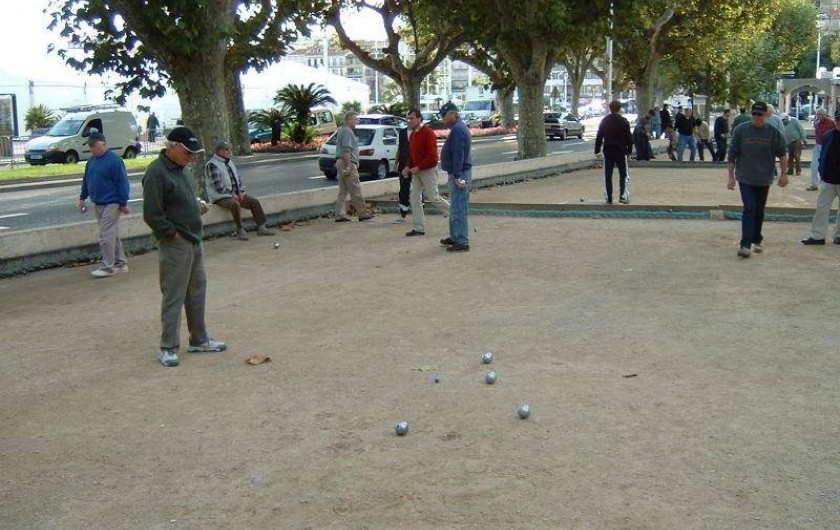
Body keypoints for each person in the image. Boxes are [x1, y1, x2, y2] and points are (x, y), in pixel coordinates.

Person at [142, 126, 227, 367]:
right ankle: (168, 347)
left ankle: (199, 339)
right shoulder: (156, 173)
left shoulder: (182, 169)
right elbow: (152, 214)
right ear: (172, 148)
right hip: (176, 243)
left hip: (193, 238)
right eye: (188, 152)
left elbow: (183, 198)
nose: (191, 157)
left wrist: (197, 204)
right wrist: (172, 235)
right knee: (174, 295)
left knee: (197, 291)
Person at [726, 101, 788, 259]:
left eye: (759, 114)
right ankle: (745, 245)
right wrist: (731, 177)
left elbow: (782, 153)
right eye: (754, 114)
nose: (756, 117)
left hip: (764, 177)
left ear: (766, 115)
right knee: (749, 207)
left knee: (759, 210)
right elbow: (732, 154)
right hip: (745, 177)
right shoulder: (741, 130)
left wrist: (784, 174)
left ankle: (756, 238)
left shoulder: (773, 132)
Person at [78, 131, 130, 278]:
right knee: (112, 234)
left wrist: (123, 202)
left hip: (112, 202)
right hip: (99, 202)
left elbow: (122, 182)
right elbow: (86, 180)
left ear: (103, 144)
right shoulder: (91, 162)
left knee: (106, 235)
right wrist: (82, 198)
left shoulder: (114, 161)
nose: (92, 148)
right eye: (90, 146)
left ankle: (108, 266)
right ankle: (120, 263)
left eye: (94, 145)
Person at [205, 141, 276, 240]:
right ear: (220, 151)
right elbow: (218, 186)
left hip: (236, 193)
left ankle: (261, 226)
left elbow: (237, 178)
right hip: (220, 196)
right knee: (235, 204)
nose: (229, 151)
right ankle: (240, 229)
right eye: (226, 149)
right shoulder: (212, 165)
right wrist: (231, 194)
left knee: (254, 202)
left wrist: (241, 191)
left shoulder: (229, 161)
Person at [402, 108, 450, 237]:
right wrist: (408, 166)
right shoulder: (413, 134)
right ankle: (419, 227)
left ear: (419, 118)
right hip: (417, 171)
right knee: (414, 198)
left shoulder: (428, 133)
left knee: (433, 197)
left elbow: (433, 157)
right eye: (408, 118)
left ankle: (454, 214)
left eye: (411, 118)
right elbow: (413, 155)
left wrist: (419, 167)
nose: (409, 121)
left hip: (428, 170)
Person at [801, 111, 840, 246]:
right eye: (838, 119)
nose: (839, 122)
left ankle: (839, 236)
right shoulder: (828, 135)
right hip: (827, 179)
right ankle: (818, 236)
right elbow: (823, 154)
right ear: (835, 120)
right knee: (822, 208)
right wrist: (821, 172)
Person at [438, 102, 472, 252]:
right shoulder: (458, 128)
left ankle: (462, 240)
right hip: (458, 172)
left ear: (454, 114)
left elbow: (459, 154)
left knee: (459, 208)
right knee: (455, 206)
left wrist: (457, 176)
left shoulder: (458, 130)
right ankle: (455, 236)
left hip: (460, 173)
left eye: (445, 115)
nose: (443, 119)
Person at [334, 111, 374, 223]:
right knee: (355, 188)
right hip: (347, 162)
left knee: (343, 190)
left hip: (341, 162)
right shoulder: (347, 132)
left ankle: (339, 213)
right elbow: (346, 150)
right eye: (355, 119)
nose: (357, 121)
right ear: (348, 119)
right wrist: (349, 166)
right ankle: (362, 213)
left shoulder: (342, 131)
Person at [594, 100, 633, 204]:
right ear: (620, 109)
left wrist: (597, 151)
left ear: (609, 108)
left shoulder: (605, 121)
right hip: (621, 150)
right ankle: (623, 196)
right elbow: (629, 138)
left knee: (608, 175)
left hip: (608, 150)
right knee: (623, 174)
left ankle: (609, 197)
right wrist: (629, 151)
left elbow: (599, 136)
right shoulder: (624, 121)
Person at [810, 108, 833, 191]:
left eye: (821, 114)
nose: (819, 116)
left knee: (826, 166)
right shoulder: (816, 123)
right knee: (813, 166)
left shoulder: (831, 123)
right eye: (818, 114)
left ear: (825, 114)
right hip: (818, 145)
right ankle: (814, 184)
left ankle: (825, 185)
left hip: (828, 147)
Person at [394, 126, 411, 223]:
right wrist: (396, 163)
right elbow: (400, 148)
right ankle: (403, 214)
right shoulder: (402, 133)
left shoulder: (420, 132)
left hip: (415, 166)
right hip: (403, 164)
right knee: (403, 190)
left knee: (419, 191)